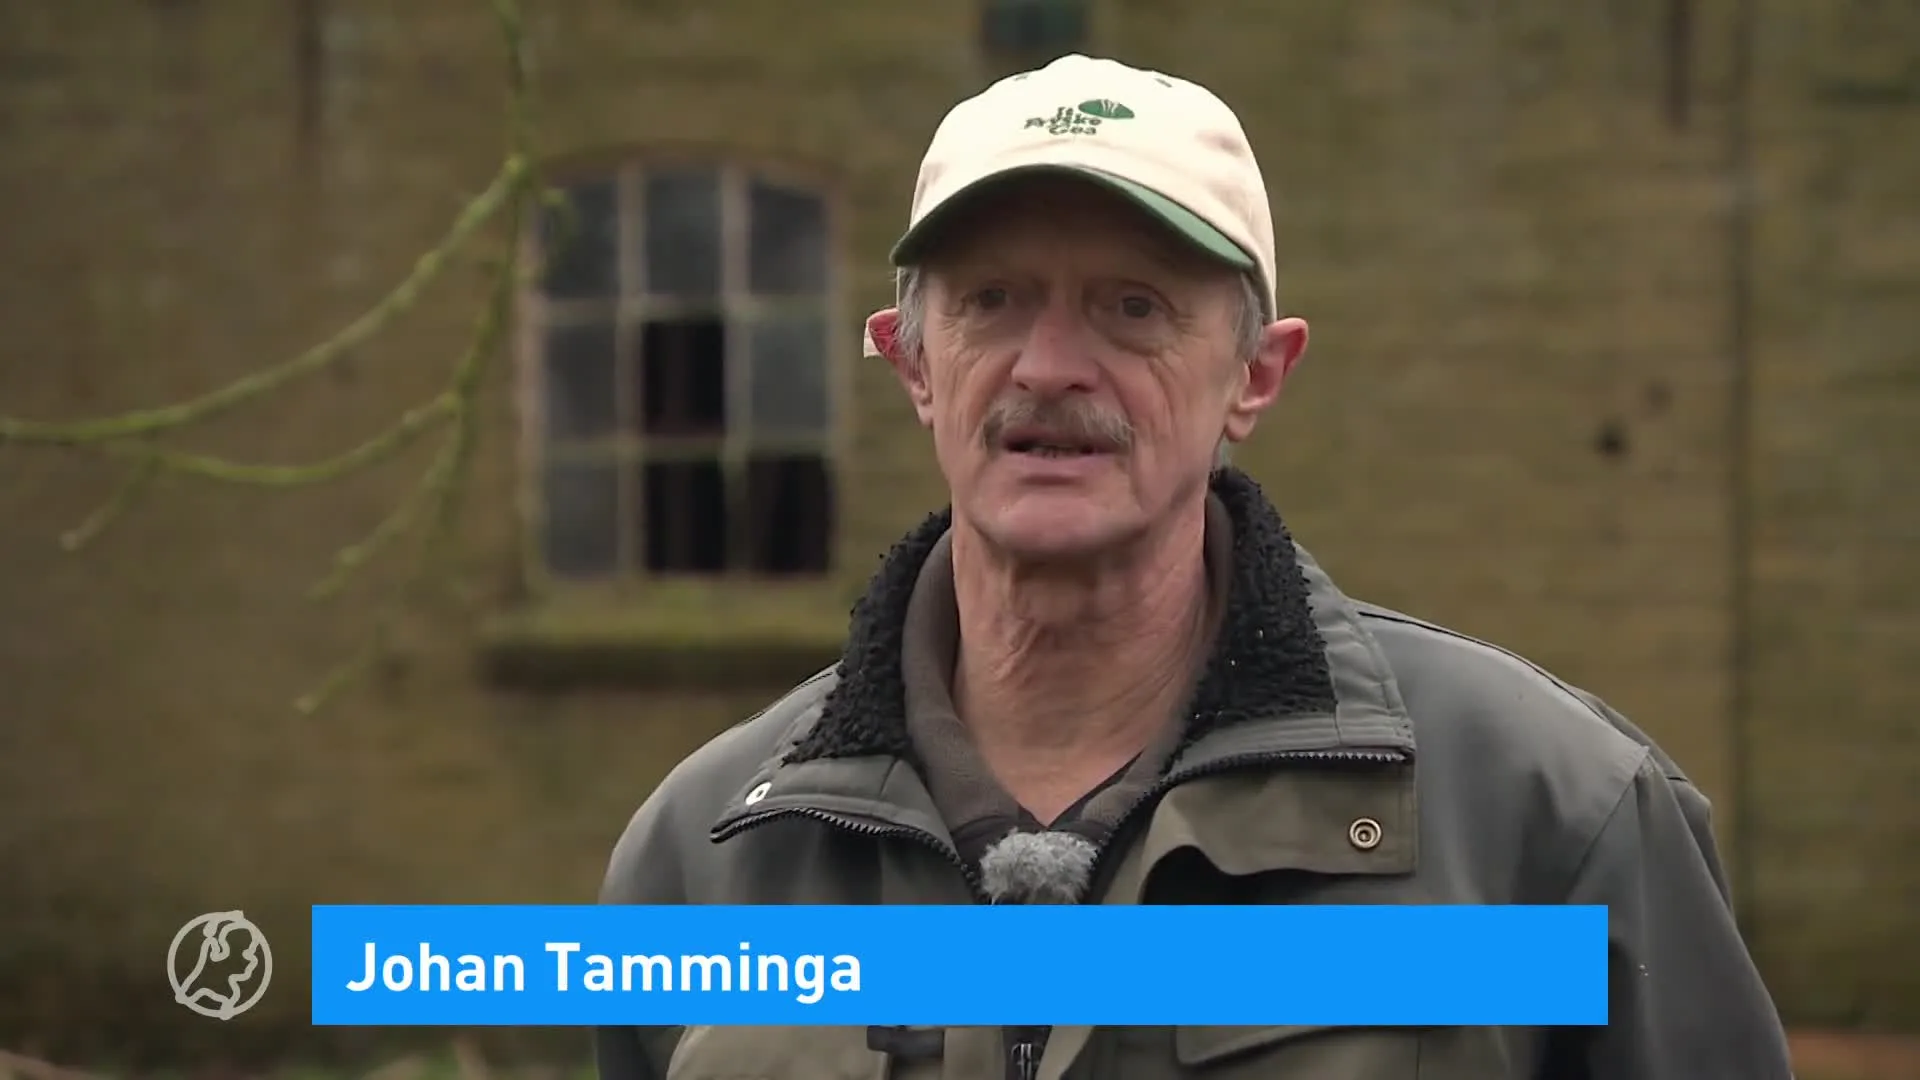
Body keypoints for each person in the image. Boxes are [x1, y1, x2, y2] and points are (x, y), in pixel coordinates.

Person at [595, 53, 1794, 1080]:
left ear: (1257, 374)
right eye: (993, 300)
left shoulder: (1549, 817)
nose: (1049, 364)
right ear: (911, 362)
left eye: (1133, 306)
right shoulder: (705, 854)